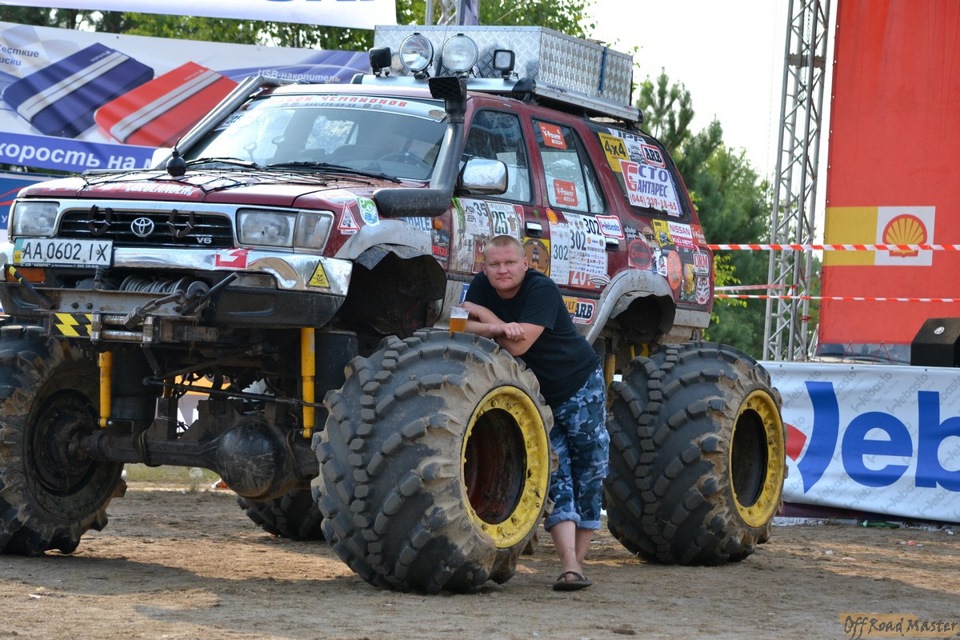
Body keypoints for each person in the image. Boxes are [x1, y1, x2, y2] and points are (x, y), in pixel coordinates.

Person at [462, 234, 609, 592]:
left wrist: (485, 317)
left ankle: (579, 558)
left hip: (578, 386)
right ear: (485, 267)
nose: (502, 270)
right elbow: (455, 325)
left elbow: (521, 342)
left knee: (589, 469)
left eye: (510, 263)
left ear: (525, 264)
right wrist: (493, 323)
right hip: (537, 395)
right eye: (494, 264)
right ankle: (570, 567)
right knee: (556, 475)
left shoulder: (540, 289)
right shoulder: (480, 286)